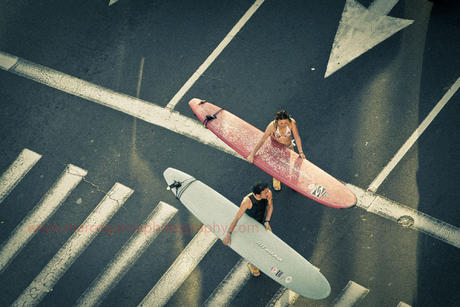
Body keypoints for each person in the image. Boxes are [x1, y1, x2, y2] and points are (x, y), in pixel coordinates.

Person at [222, 182, 273, 277]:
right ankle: (252, 265)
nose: (268, 193)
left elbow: (270, 206)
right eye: (265, 193)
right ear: (257, 195)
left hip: (262, 223)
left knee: (268, 244)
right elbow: (236, 218)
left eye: (267, 191)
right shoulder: (247, 202)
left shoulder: (268, 193)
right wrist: (228, 234)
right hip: (251, 227)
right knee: (255, 249)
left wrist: (267, 220)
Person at [247, 110, 306, 190]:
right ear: (277, 121)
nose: (283, 125)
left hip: (288, 146)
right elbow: (262, 140)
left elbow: (297, 137)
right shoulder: (272, 126)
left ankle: (293, 182)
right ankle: (276, 178)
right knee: (277, 164)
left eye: (285, 123)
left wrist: (301, 152)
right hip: (276, 147)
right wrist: (252, 154)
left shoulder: (292, 122)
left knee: (291, 163)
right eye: (281, 123)